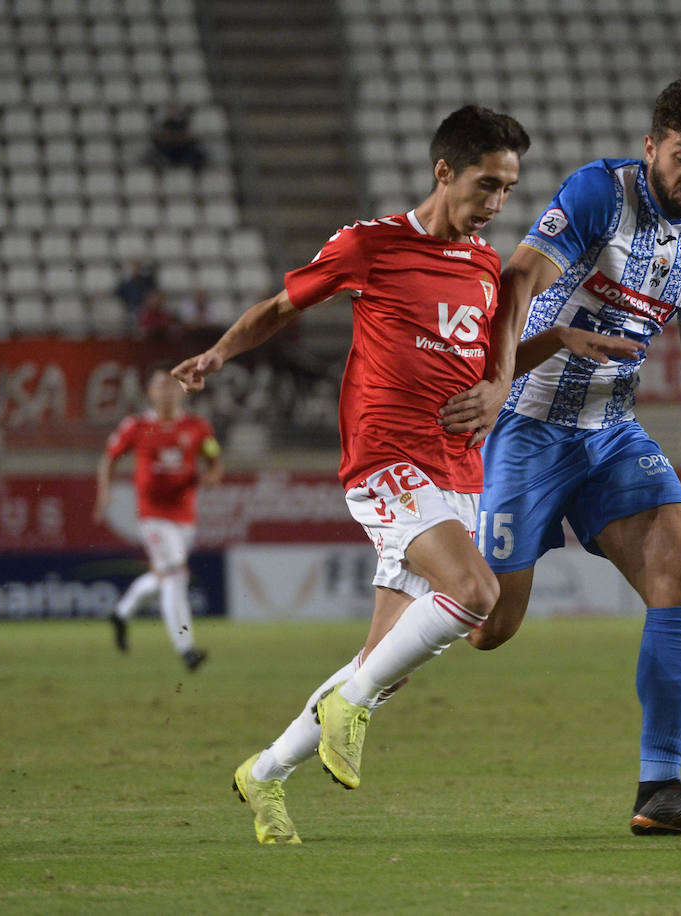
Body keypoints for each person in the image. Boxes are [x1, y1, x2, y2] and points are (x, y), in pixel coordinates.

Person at [173, 106, 573, 845]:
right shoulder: (373, 245)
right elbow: (281, 305)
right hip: (387, 457)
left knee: (384, 663)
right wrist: (220, 354)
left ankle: (264, 774)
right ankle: (347, 706)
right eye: (487, 184)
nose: (496, 202)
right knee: (476, 592)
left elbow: (491, 366)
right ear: (443, 171)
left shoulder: (485, 264)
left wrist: (556, 347)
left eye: (509, 189)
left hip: (458, 470)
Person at [438, 79, 681, 837]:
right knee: (490, 626)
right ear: (653, 147)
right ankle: (416, 562)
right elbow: (518, 279)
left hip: (612, 430)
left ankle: (659, 788)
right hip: (527, 426)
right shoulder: (599, 193)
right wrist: (493, 385)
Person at [94, 365, 223, 670]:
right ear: (150, 393)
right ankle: (186, 648)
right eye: (158, 386)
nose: (164, 391)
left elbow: (214, 458)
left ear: (180, 390)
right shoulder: (135, 427)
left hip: (184, 515)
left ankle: (121, 613)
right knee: (176, 576)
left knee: (164, 576)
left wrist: (213, 475)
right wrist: (104, 492)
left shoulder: (197, 427)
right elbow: (109, 458)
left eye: (170, 385)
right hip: (152, 515)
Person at [150, 103, 207, 172]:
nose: (175, 135)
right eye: (171, 132)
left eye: (178, 131)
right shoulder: (158, 151)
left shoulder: (193, 152)